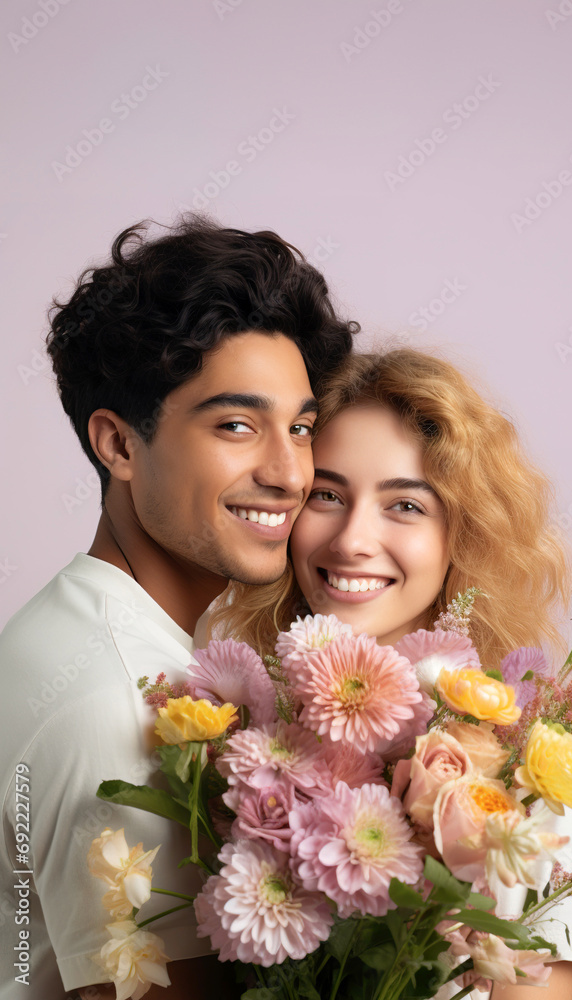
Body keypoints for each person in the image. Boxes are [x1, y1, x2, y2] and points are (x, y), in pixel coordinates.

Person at [0, 215, 358, 1000]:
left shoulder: (66, 629)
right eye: (236, 425)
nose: (290, 472)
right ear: (119, 445)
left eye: (299, 427)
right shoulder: (130, 706)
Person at [215, 349, 572, 1000]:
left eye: (404, 506)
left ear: (463, 535)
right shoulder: (230, 732)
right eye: (327, 495)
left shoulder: (525, 772)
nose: (351, 540)